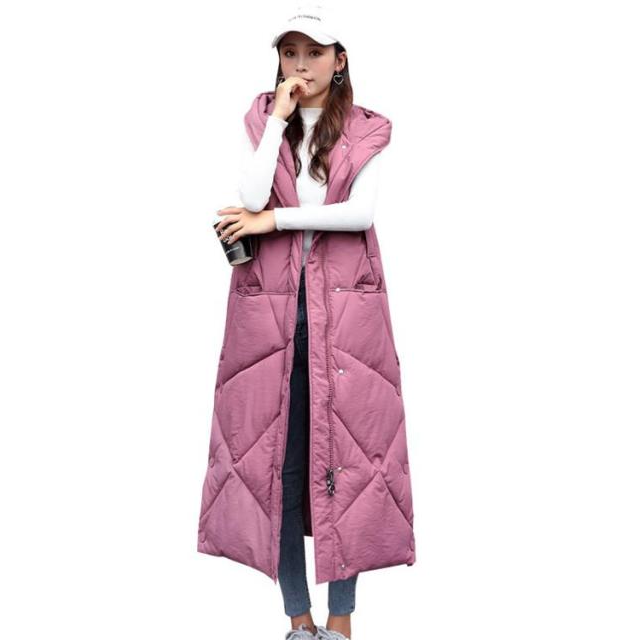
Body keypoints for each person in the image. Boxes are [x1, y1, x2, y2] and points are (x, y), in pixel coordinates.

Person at [201, 5, 415, 640]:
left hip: (347, 316)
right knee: (279, 464)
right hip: (270, 315)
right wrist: (276, 120)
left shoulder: (367, 129)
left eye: (315, 53)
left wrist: (273, 221)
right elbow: (249, 193)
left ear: (339, 60)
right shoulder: (263, 120)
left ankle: (340, 622)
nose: (301, 65)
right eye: (290, 53)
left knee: (352, 463)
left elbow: (358, 213)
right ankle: (299, 620)